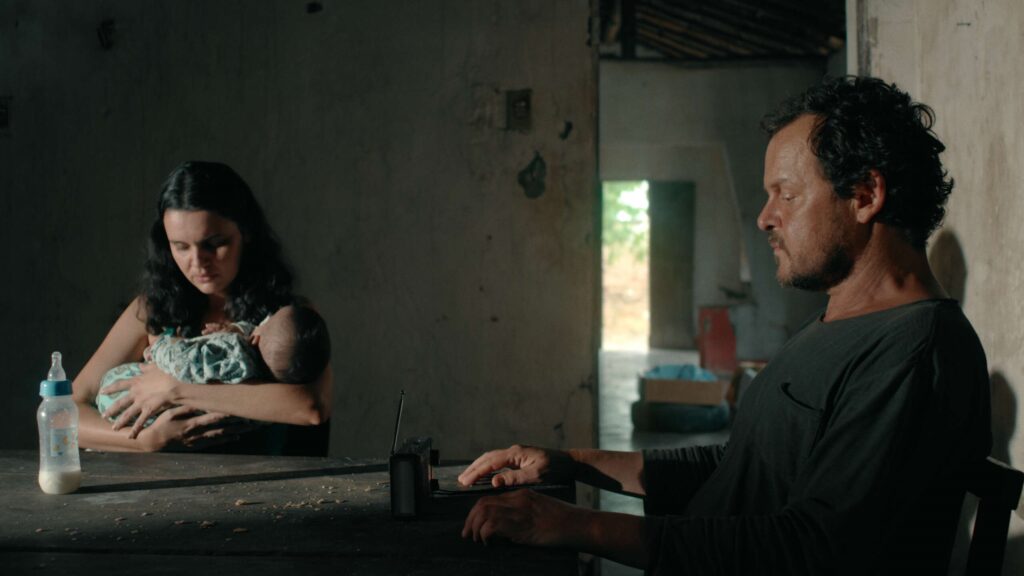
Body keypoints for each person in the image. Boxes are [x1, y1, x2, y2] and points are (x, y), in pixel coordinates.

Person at [458, 76, 992, 574]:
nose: (765, 217)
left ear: (865, 196)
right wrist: (571, 464)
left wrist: (577, 525)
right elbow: (742, 466)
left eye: (786, 194)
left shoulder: (914, 352)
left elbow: (814, 551)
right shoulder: (840, 321)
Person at [72, 161, 333, 454]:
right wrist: (148, 440)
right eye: (181, 246)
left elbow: (310, 407)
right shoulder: (152, 309)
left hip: (257, 482)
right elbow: (64, 412)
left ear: (246, 231)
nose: (197, 262)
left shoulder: (287, 317)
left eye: (214, 243)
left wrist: (177, 390)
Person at [96, 303, 331, 433]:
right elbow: (257, 336)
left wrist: (159, 346)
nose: (266, 317)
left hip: (129, 396)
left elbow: (183, 362)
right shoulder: (268, 380)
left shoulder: (232, 353)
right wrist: (237, 331)